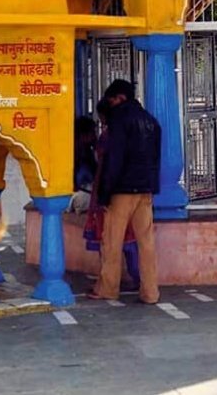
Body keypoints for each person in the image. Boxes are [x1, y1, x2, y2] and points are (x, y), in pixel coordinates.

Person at [90, 79, 161, 304]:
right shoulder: (151, 121)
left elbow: (115, 159)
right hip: (145, 189)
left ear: (119, 98)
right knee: (146, 243)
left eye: (111, 100)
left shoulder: (119, 119)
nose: (110, 105)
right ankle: (151, 292)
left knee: (111, 242)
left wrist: (104, 193)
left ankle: (108, 289)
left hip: (121, 190)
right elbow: (156, 159)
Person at [81, 100, 140, 288]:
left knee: (108, 240)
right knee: (129, 239)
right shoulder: (129, 133)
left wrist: (103, 193)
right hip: (127, 189)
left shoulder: (110, 136)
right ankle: (137, 278)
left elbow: (108, 166)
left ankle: (109, 283)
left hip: (108, 189)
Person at [69, 115, 98, 213]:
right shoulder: (74, 152)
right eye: (92, 132)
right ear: (83, 135)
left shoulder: (87, 151)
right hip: (76, 194)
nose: (95, 136)